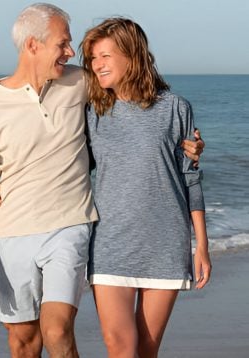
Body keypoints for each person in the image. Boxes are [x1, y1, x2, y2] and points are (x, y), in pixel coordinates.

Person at [0, 4, 205, 358]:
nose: (77, 56)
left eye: (100, 55)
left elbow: (180, 165)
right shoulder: (0, 106)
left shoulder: (100, 87)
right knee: (56, 344)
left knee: (99, 339)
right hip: (60, 236)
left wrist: (185, 150)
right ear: (33, 45)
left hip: (114, 233)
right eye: (65, 45)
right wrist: (4, 199)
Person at [80, 18, 212, 357]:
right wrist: (6, 189)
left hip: (164, 242)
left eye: (106, 56)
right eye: (93, 58)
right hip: (110, 243)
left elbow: (190, 178)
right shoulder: (93, 112)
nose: (98, 65)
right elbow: (69, 168)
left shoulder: (175, 108)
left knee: (148, 349)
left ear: (132, 54)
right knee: (121, 348)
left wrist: (202, 246)